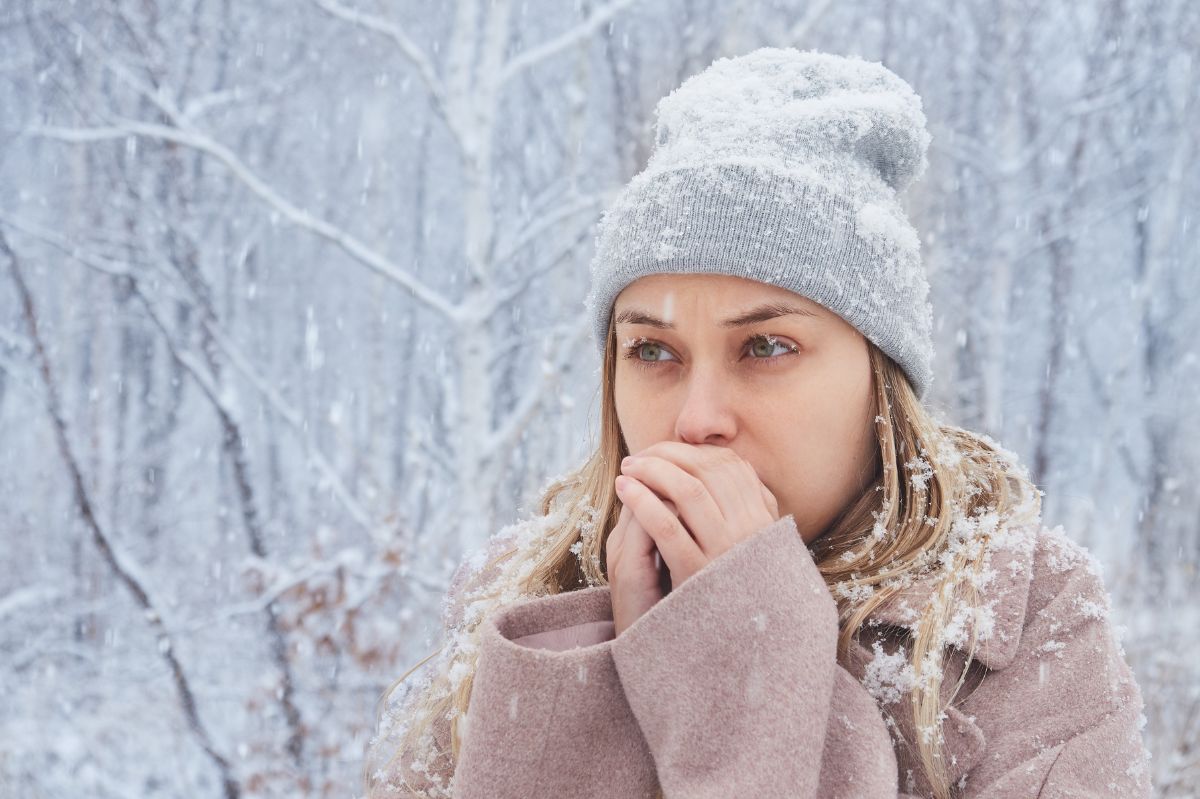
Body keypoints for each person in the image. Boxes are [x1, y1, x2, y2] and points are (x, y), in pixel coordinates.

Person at [363, 48, 1153, 798]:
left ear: (880, 377)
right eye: (652, 350)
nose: (698, 418)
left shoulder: (1024, 621)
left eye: (766, 346)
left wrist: (747, 672)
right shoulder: (520, 600)